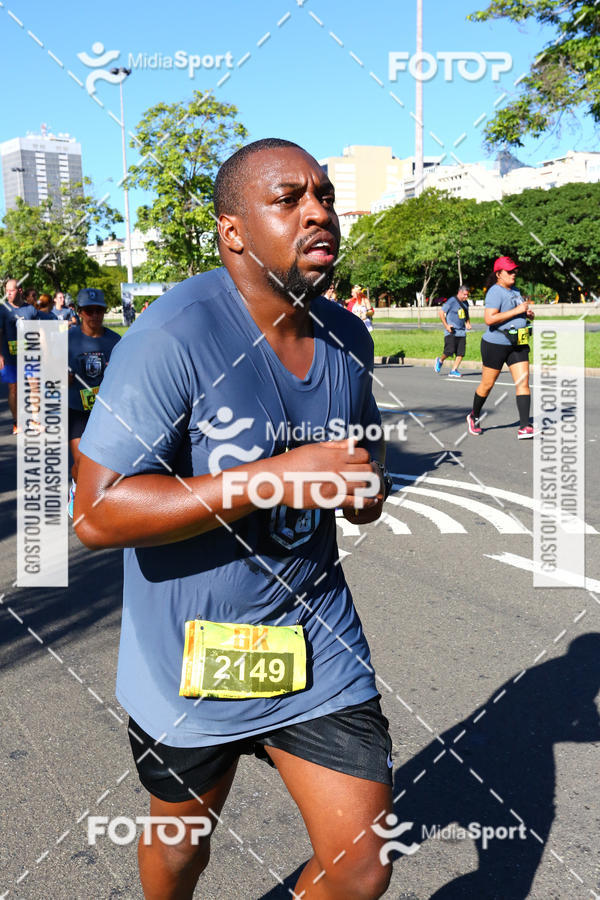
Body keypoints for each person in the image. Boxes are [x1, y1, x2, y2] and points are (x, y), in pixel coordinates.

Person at [74, 138, 394, 900]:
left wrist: (361, 490)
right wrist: (273, 477)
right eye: (289, 199)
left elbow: (364, 468)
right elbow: (96, 512)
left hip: (315, 635)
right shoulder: (171, 336)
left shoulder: (347, 337)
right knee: (182, 845)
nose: (319, 212)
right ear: (234, 231)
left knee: (361, 866)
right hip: (189, 655)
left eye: (324, 196)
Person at [466, 256, 535, 438]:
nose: (514, 274)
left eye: (515, 270)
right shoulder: (495, 292)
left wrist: (528, 314)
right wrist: (517, 311)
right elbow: (489, 319)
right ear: (499, 274)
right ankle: (474, 416)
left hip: (518, 344)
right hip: (495, 345)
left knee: (523, 383)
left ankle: (524, 427)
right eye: (509, 271)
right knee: (487, 385)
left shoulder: (516, 291)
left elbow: (517, 314)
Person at [67, 288, 120, 517]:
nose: (95, 316)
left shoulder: (115, 341)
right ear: (80, 313)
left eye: (99, 311)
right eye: (89, 311)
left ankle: (99, 497)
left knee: (107, 461)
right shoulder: (68, 339)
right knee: (80, 460)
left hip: (105, 410)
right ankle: (76, 488)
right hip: (77, 409)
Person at [0, 278, 38, 434]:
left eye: (12, 290)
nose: (8, 293)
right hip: (10, 356)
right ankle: (17, 422)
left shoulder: (30, 310)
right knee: (14, 388)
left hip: (30, 354)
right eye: (6, 290)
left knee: (34, 386)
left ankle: (35, 420)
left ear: (20, 291)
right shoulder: (2, 310)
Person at [434, 285, 472, 377]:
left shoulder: (466, 303)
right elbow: (441, 313)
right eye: (464, 295)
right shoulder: (452, 301)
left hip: (461, 332)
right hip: (451, 331)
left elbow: (466, 315)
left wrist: (467, 323)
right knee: (449, 351)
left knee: (461, 353)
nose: (466, 297)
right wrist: (446, 326)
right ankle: (440, 360)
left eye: (467, 295)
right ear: (459, 292)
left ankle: (453, 370)